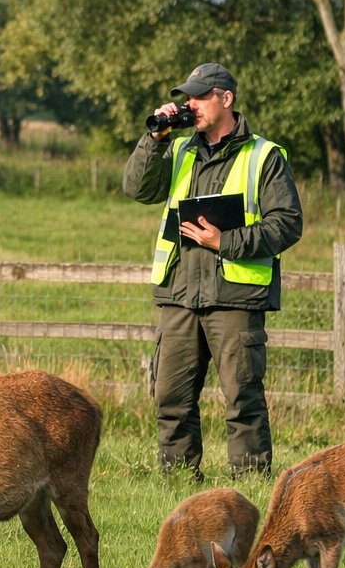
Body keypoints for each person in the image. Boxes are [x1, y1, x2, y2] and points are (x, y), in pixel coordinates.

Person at [122, 63, 302, 478]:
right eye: (187, 97)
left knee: (242, 398)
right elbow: (138, 189)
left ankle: (252, 482)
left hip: (235, 297)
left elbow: (287, 223)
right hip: (181, 294)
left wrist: (226, 242)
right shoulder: (181, 149)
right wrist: (155, 138)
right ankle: (179, 480)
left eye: (200, 96)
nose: (191, 104)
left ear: (226, 99)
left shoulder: (265, 156)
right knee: (170, 397)